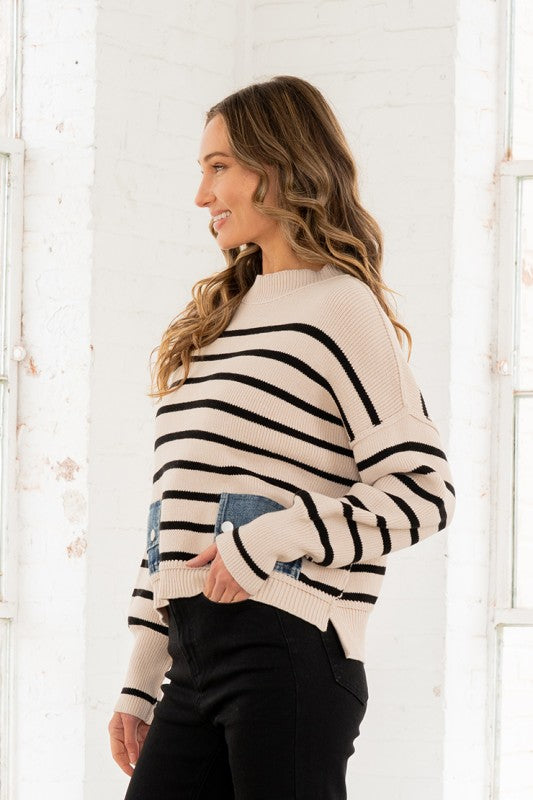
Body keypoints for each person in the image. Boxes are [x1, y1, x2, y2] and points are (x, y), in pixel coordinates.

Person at [108, 75, 456, 799]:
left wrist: (266, 538)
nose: (201, 196)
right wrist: (142, 678)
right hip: (192, 661)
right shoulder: (218, 323)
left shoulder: (340, 306)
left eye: (218, 167)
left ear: (281, 164)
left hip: (287, 648)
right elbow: (172, 513)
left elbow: (423, 492)